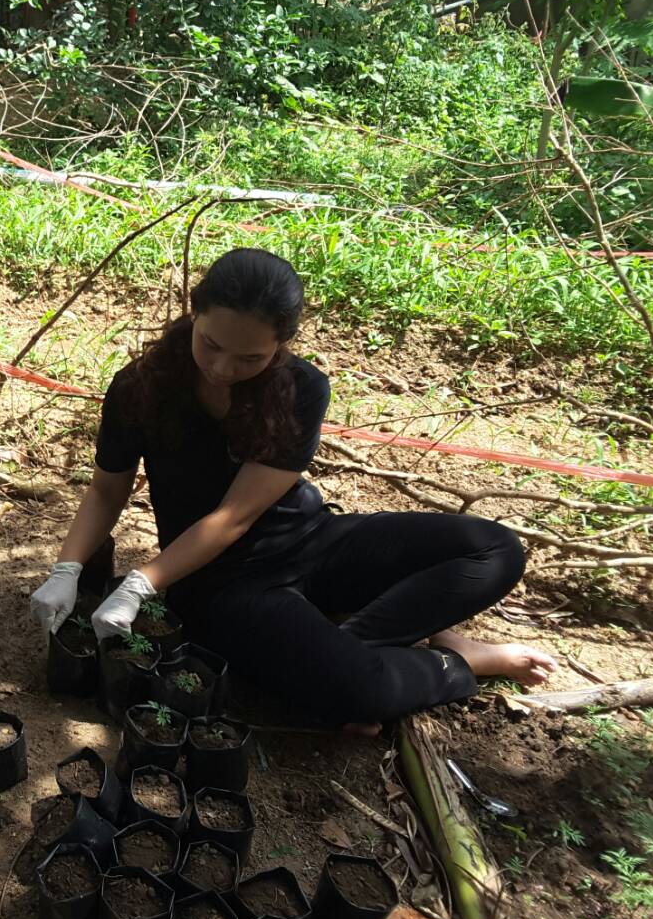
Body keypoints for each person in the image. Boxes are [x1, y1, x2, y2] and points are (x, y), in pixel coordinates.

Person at [30, 248, 556, 730]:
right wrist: (67, 569)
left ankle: (348, 654)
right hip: (222, 583)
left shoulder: (301, 389)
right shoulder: (141, 387)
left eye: (249, 359)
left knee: (495, 550)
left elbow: (236, 514)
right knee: (361, 692)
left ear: (281, 344)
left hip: (311, 541)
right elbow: (106, 490)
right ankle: (455, 662)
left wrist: (140, 583)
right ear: (195, 312)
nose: (221, 369)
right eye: (210, 344)